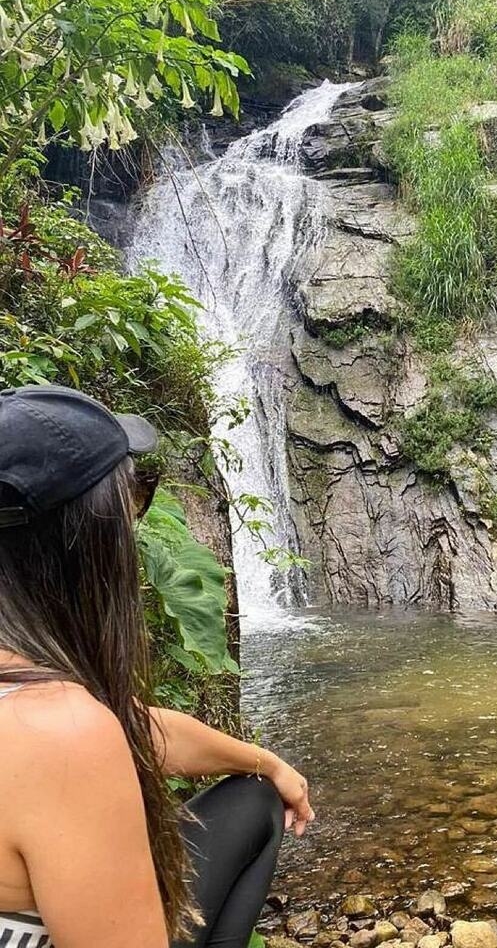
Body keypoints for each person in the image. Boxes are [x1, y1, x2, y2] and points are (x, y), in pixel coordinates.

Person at [0, 384, 314, 948]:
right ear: (89, 538)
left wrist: (267, 762)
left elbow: (140, 727)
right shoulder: (58, 733)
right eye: (134, 496)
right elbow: (89, 740)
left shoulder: (34, 707)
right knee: (255, 806)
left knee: (254, 793)